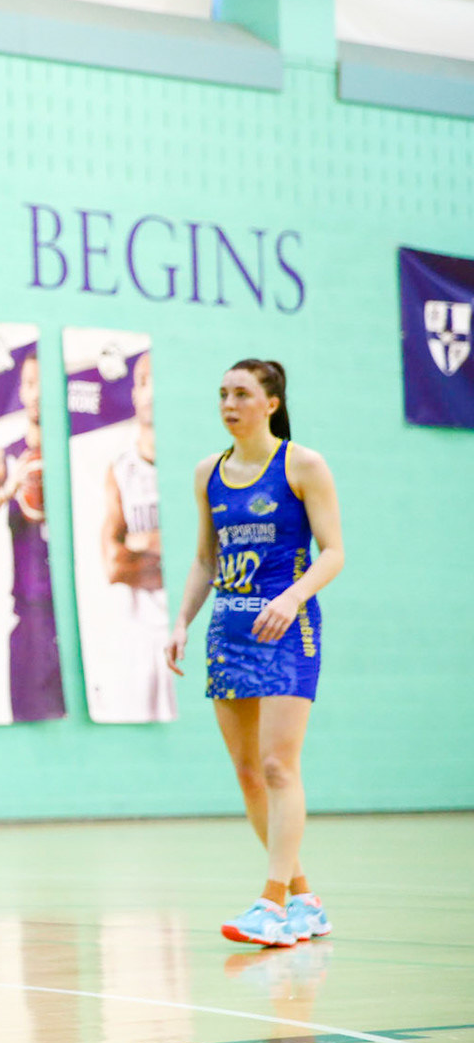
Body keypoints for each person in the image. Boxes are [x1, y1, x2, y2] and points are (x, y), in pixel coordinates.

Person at [166, 359, 343, 947]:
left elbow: (333, 552)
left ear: (270, 402)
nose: (229, 403)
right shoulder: (207, 473)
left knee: (277, 766)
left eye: (241, 393)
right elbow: (204, 560)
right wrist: (181, 622)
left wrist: (293, 598)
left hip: (287, 630)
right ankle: (304, 900)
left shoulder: (302, 465)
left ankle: (269, 903)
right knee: (247, 774)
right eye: (222, 394)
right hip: (229, 635)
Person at [0, 350, 65, 721]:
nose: (37, 394)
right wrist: (6, 492)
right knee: (32, 721)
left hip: (76, 614)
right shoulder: (6, 459)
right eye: (30, 384)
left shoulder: (78, 455)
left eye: (44, 385)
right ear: (21, 391)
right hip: (32, 617)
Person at [98, 352, 173, 721]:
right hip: (139, 638)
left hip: (192, 629)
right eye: (143, 381)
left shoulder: (203, 469)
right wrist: (166, 549)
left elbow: (211, 559)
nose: (151, 392)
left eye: (158, 380)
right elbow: (113, 565)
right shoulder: (119, 470)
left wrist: (141, 543)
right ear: (133, 394)